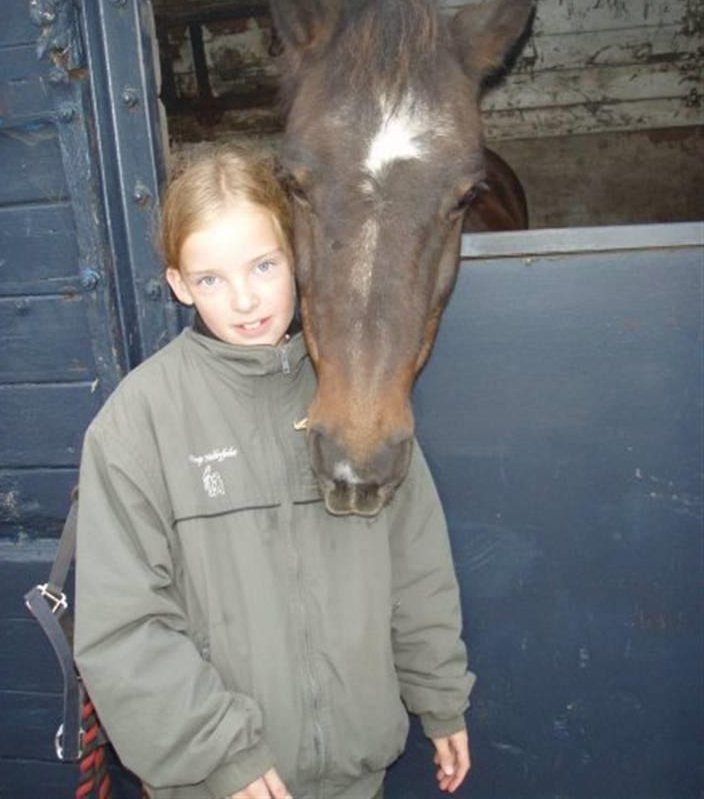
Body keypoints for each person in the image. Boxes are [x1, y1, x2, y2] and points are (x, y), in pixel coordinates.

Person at [74, 141, 475, 799]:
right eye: (210, 279)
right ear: (177, 283)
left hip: (355, 778)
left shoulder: (357, 400)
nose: (244, 300)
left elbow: (416, 563)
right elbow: (125, 628)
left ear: (298, 253)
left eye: (264, 265)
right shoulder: (135, 425)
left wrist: (440, 695)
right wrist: (218, 755)